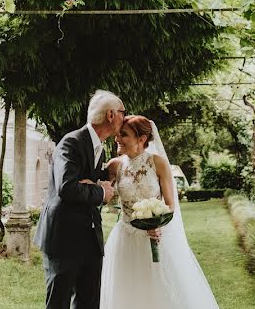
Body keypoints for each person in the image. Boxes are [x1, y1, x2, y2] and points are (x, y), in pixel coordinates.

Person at [100, 115, 220, 309]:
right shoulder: (115, 165)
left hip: (154, 236)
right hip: (125, 237)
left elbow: (170, 205)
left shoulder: (158, 163)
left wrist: (158, 225)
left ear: (142, 139)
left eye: (124, 134)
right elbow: (104, 192)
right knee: (127, 290)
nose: (117, 138)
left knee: (159, 288)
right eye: (118, 134)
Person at [34, 90, 126, 309]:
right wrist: (101, 192)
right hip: (63, 239)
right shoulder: (71, 142)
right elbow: (67, 187)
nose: (125, 117)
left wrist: (100, 179)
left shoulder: (100, 149)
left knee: (89, 303)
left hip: (90, 239)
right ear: (111, 115)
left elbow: (83, 185)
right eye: (123, 112)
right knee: (59, 303)